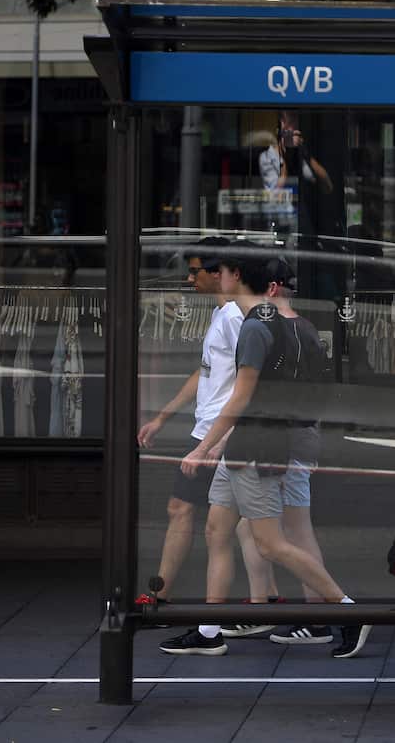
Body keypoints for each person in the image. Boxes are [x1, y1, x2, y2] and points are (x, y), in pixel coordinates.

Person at [158, 247, 370, 659]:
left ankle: (348, 611)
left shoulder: (257, 326)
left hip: (253, 449)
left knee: (271, 543)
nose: (214, 277)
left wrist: (204, 447)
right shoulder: (285, 323)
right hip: (248, 446)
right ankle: (208, 629)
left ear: (236, 276)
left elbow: (241, 398)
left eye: (220, 271)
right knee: (218, 530)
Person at [136, 237, 251, 606]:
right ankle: (165, 597)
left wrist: (223, 437)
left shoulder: (236, 318)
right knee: (222, 522)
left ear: (218, 274)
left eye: (194, 271)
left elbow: (253, 380)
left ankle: (168, 600)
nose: (189, 280)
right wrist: (162, 418)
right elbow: (204, 373)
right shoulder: (221, 315)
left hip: (221, 434)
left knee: (239, 527)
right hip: (208, 431)